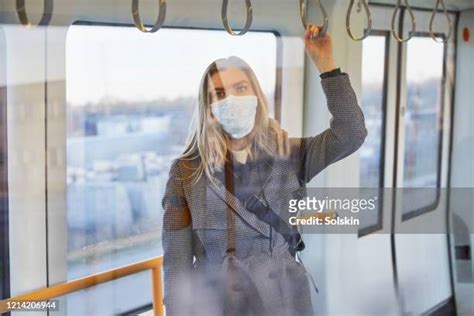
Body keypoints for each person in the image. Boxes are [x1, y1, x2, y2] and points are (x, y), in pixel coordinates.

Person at [161, 24, 368, 316]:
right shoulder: (185, 174)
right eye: (218, 93)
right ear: (207, 107)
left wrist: (326, 64)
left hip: (286, 299)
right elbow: (177, 268)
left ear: (256, 96)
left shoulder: (290, 154)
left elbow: (351, 133)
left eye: (240, 88)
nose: (230, 99)